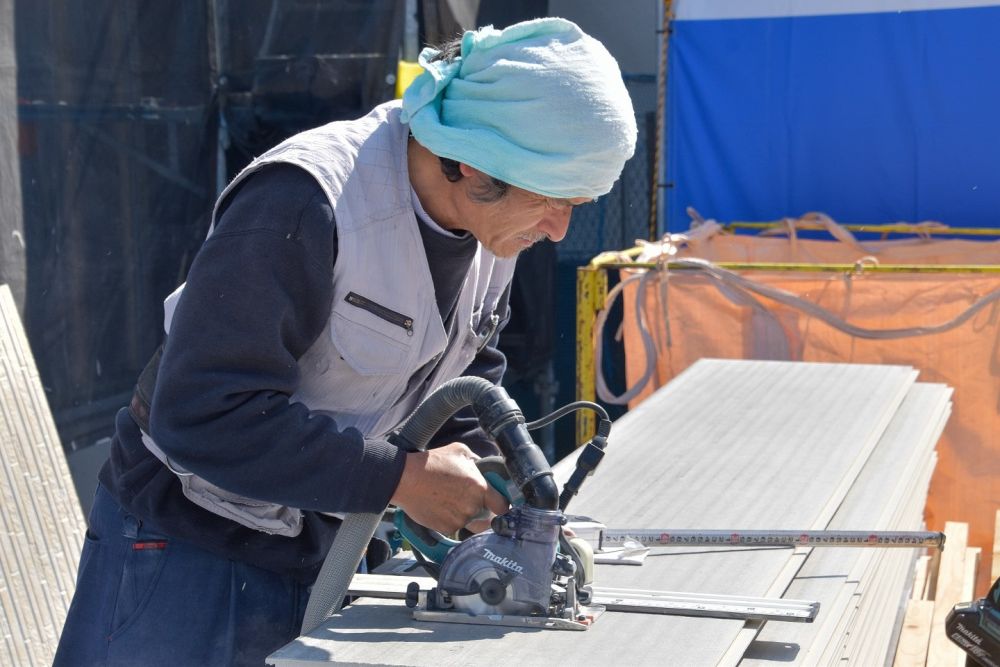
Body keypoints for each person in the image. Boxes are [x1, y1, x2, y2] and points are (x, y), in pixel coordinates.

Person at [54, 16, 636, 666]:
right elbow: (200, 413)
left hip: (313, 536)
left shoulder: (496, 219)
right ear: (474, 164)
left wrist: (491, 494)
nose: (559, 230)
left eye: (577, 204)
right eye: (554, 200)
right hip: (181, 540)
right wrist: (402, 479)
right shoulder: (305, 204)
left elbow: (466, 376)